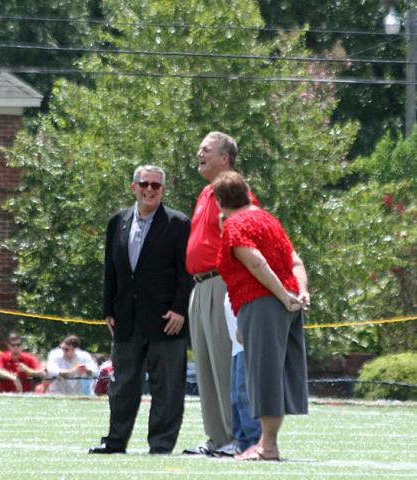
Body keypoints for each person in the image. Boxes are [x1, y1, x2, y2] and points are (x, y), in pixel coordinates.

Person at [89, 165, 192, 455]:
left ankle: (160, 445)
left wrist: (180, 310)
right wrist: (108, 308)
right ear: (133, 186)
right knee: (122, 384)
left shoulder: (178, 223)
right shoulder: (117, 221)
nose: (150, 189)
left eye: (156, 186)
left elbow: (186, 272)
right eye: (144, 184)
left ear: (163, 190)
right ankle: (115, 440)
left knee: (167, 388)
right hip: (126, 317)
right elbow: (111, 269)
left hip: (167, 320)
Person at [213, 170, 310, 461]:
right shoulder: (269, 219)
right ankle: (267, 442)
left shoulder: (235, 224)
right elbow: (295, 260)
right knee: (276, 374)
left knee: (264, 375)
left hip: (265, 301)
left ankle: (267, 446)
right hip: (286, 303)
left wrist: (282, 294)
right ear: (247, 191)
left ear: (219, 201)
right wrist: (301, 291)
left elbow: (255, 263)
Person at [184, 131, 240, 456]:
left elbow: (244, 234)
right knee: (205, 368)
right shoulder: (207, 191)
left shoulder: (232, 190)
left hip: (222, 283)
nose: (199, 152)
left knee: (223, 364)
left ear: (225, 158)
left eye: (206, 149)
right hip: (200, 286)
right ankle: (217, 439)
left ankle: (236, 437)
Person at [224, 294, 262, 456]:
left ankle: (254, 441)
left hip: (246, 338)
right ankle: (241, 442)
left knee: (244, 394)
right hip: (236, 342)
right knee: (235, 396)